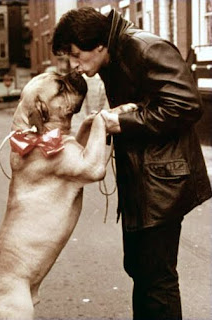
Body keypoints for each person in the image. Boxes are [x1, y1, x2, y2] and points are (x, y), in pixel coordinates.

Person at [52, 7, 212, 320]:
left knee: (157, 278)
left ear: (97, 44)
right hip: (142, 180)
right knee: (140, 269)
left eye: (75, 55)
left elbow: (187, 104)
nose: (74, 66)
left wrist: (122, 122)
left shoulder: (146, 48)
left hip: (163, 181)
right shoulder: (113, 56)